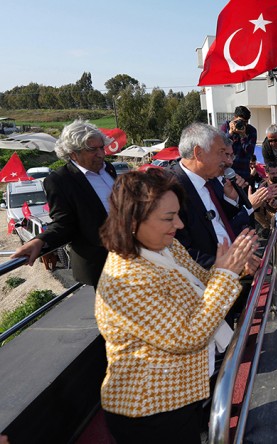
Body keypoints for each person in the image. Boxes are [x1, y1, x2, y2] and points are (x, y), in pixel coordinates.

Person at [95, 170, 258, 442]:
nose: (179, 225)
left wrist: (231, 267)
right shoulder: (127, 279)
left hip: (182, 391)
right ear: (133, 221)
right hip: (150, 408)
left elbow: (202, 283)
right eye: (169, 218)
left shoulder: (166, 248)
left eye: (178, 215)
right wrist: (226, 275)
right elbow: (188, 336)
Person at [12, 119, 117, 287]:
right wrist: (39, 241)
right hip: (103, 265)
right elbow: (64, 223)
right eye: (92, 149)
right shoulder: (59, 181)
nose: (101, 154)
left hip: (130, 255)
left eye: (101, 148)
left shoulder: (108, 168)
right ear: (73, 153)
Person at [171, 123, 277, 269]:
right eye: (221, 152)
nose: (228, 161)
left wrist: (231, 199)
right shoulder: (170, 189)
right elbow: (181, 252)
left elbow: (221, 222)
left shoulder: (213, 179)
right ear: (198, 153)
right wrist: (229, 266)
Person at [221, 105, 257, 181]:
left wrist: (243, 135)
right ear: (234, 118)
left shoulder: (251, 130)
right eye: (239, 121)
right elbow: (221, 147)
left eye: (245, 122)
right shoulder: (226, 126)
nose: (242, 124)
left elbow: (250, 153)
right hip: (227, 171)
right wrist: (230, 133)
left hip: (243, 173)